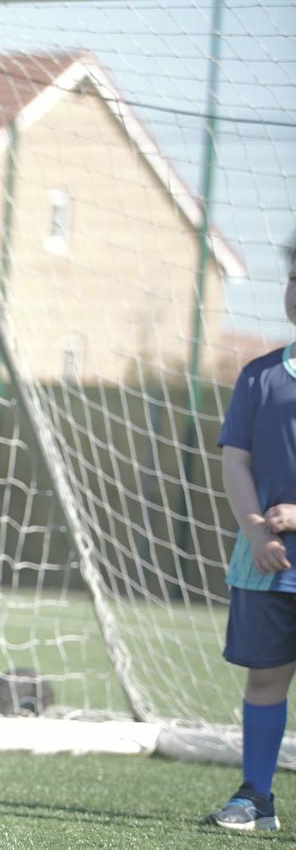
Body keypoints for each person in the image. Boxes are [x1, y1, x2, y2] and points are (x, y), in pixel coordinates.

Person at [208, 251, 296, 832]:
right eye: (295, 279)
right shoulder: (259, 375)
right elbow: (235, 461)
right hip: (267, 566)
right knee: (265, 679)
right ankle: (255, 798)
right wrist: (256, 530)